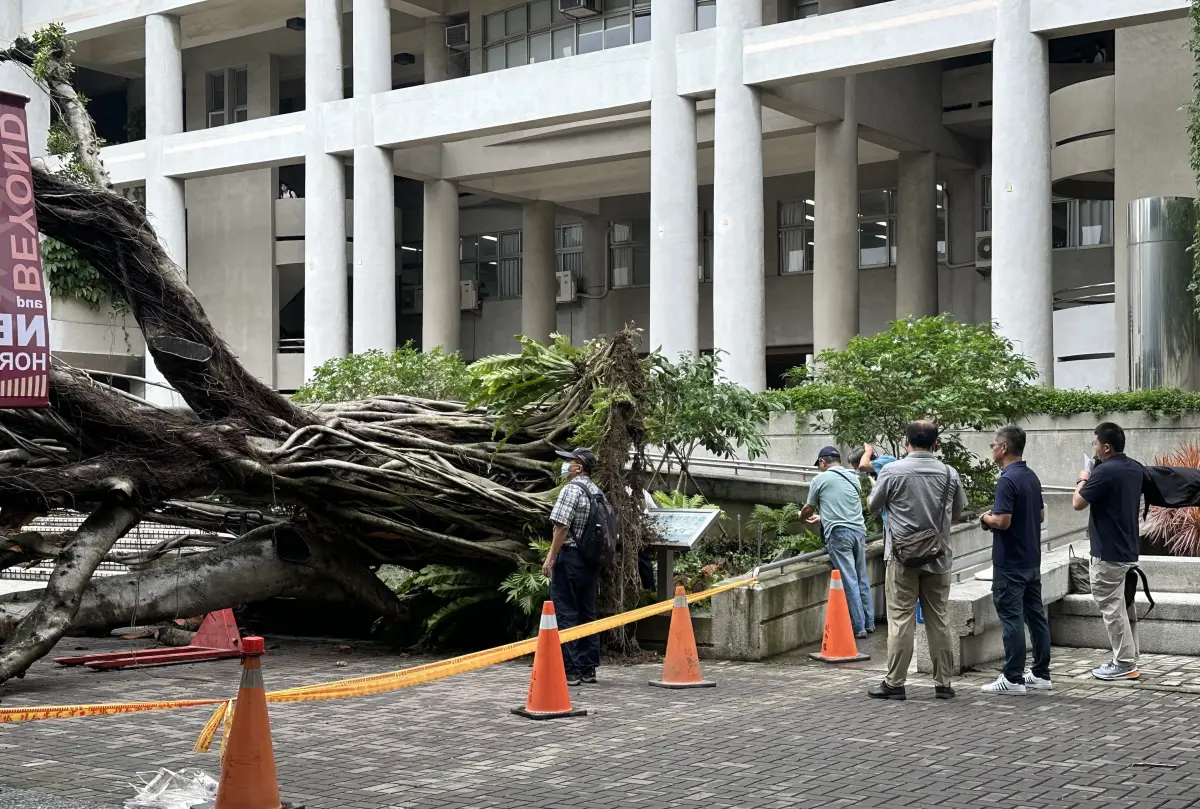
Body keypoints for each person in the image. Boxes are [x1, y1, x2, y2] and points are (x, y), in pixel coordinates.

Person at [866, 421, 966, 701]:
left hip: (901, 558)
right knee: (939, 619)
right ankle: (944, 684)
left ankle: (895, 683)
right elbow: (958, 512)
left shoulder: (891, 471)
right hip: (939, 556)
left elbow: (873, 505)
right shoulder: (949, 472)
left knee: (900, 619)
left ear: (907, 442)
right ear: (935, 444)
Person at [978, 425, 1052, 695]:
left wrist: (985, 518)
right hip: (1032, 559)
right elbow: (1041, 516)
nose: (993, 449)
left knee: (1011, 618)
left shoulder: (1006, 479)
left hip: (1010, 562)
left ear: (1004, 448)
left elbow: (1003, 521)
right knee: (1035, 617)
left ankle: (1012, 678)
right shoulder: (1031, 476)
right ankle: (1041, 674)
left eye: (993, 445)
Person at [1074, 422, 1144, 680]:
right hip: (1129, 550)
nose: (1093, 447)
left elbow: (1077, 503)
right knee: (1125, 605)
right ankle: (1130, 656)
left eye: (1095, 443)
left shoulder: (1103, 473)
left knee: (1112, 608)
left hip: (1107, 553)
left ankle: (1124, 663)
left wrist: (1083, 477)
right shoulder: (1135, 468)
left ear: (1106, 446)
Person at [543, 447, 604, 685]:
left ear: (578, 467)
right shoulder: (597, 491)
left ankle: (570, 670)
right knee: (587, 612)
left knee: (566, 612)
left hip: (570, 557)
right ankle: (588, 668)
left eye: (568, 460)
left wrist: (550, 557)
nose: (565, 464)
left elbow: (561, 527)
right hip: (590, 560)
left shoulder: (572, 489)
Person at [800, 446, 874, 638]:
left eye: (820, 465)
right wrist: (823, 517)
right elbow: (844, 507)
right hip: (858, 532)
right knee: (861, 578)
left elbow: (809, 508)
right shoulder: (853, 478)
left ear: (823, 462)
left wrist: (802, 517)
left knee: (849, 580)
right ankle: (869, 622)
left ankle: (858, 627)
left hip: (839, 535)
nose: (819, 468)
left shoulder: (820, 479)